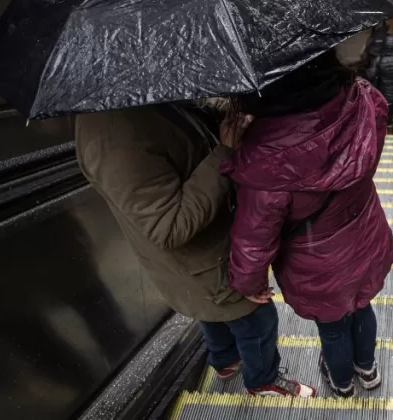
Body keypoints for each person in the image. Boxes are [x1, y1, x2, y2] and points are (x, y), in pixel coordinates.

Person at [74, 102, 315, 397]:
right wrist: (224, 153)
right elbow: (169, 225)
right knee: (258, 318)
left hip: (205, 255)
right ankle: (262, 380)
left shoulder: (137, 98)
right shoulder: (114, 137)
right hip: (203, 259)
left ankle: (226, 360)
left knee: (210, 309)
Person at [223, 51, 393, 398]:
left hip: (316, 260)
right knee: (362, 306)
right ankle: (368, 370)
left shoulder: (264, 155)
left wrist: (247, 282)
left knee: (333, 326)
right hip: (366, 233)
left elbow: (254, 238)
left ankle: (342, 382)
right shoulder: (362, 98)